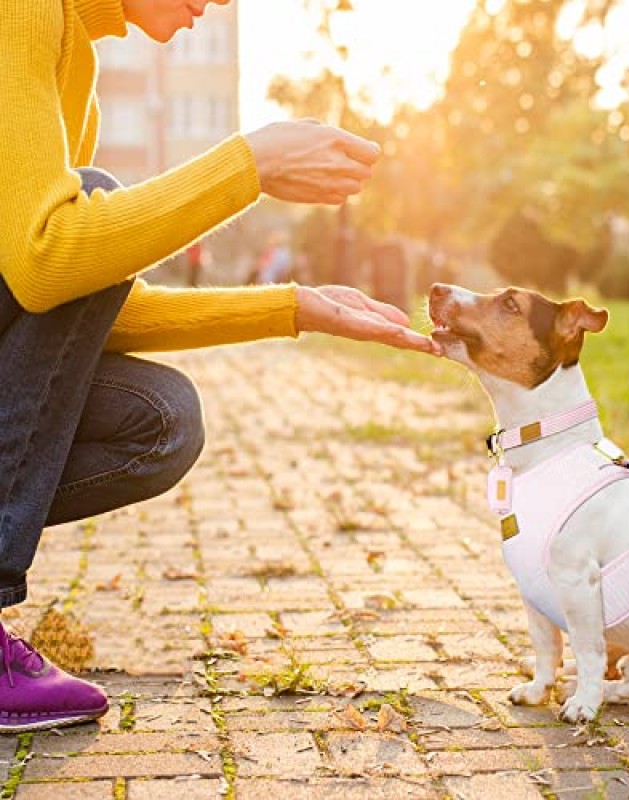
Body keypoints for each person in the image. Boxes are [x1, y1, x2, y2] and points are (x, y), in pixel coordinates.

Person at [0, 0, 441, 733]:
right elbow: (53, 261)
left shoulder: (78, 58)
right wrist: (251, 164)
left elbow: (77, 308)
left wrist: (296, 307)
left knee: (160, 419)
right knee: (100, 202)